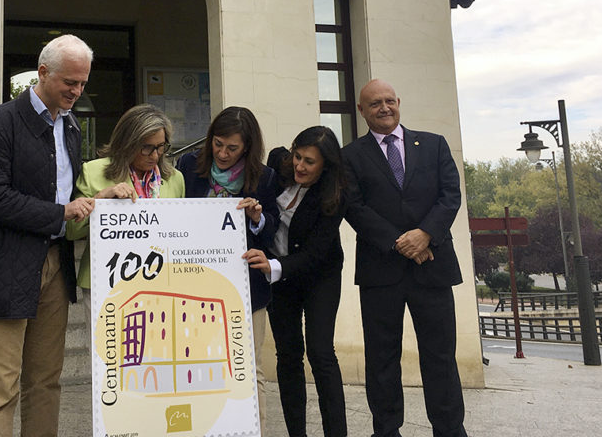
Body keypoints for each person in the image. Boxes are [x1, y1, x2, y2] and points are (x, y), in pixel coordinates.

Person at [0, 34, 95, 437]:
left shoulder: (71, 130)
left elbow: (67, 196)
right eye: (70, 81)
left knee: (46, 383)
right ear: (43, 72)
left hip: (54, 263)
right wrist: (59, 212)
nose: (77, 91)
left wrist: (95, 200)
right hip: (3, 268)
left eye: (83, 83)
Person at [342, 79, 467, 437]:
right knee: (382, 360)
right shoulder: (351, 156)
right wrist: (400, 242)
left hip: (433, 265)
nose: (384, 107)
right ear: (362, 111)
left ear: (399, 102)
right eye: (374, 103)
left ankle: (449, 429)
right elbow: (355, 207)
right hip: (381, 271)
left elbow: (450, 195)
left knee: (440, 358)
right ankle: (386, 430)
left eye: (389, 101)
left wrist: (425, 234)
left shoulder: (433, 144)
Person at [176, 106, 279, 432]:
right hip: (192, 285)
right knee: (194, 365)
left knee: (249, 367)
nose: (222, 153)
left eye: (231, 148)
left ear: (247, 147)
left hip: (245, 286)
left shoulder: (265, 177)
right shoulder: (188, 165)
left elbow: (272, 227)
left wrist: (256, 218)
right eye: (217, 144)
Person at [244, 125, 348, 437]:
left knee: (320, 353)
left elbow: (316, 252)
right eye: (297, 156)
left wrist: (274, 266)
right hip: (279, 278)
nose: (300, 166)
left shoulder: (336, 194)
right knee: (288, 356)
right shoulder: (279, 167)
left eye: (310, 162)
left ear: (325, 165)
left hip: (319, 276)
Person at [68, 103, 185, 329]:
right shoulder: (94, 172)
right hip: (106, 282)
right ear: (127, 143)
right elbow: (73, 231)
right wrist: (100, 200)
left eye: (161, 147)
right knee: (108, 360)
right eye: (147, 148)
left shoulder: (175, 178)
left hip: (161, 281)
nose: (155, 155)